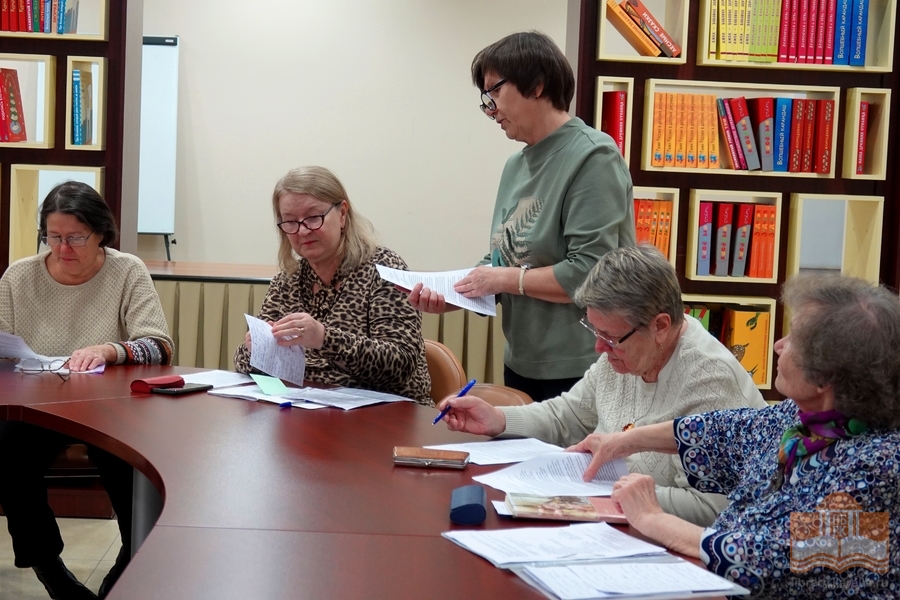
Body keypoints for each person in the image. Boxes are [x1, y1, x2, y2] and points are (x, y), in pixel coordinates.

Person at [578, 274, 900, 597]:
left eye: (794, 340)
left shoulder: (878, 471)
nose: (778, 345)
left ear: (826, 378)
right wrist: (624, 441)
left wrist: (651, 517)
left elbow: (768, 558)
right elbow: (726, 431)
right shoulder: (803, 418)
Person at [438, 245, 767, 526]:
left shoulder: (710, 380)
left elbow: (713, 510)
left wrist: (608, 495)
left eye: (610, 337)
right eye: (595, 331)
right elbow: (569, 415)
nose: (599, 348)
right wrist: (499, 419)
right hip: (624, 528)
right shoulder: (630, 352)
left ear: (661, 326)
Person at [408, 31, 635, 402]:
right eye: (486, 98)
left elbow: (590, 271)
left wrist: (498, 278)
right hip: (523, 360)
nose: (489, 109)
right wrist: (457, 294)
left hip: (583, 364)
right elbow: (504, 258)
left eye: (494, 92)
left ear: (537, 85)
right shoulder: (516, 164)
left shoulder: (593, 157)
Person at [0, 181, 174, 600]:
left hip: (109, 407)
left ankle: (126, 570)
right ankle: (50, 571)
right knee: (7, 454)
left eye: (75, 237)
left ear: (100, 233)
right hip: (37, 405)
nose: (63, 249)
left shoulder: (126, 270)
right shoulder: (19, 276)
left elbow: (159, 345)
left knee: (133, 469)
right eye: (53, 237)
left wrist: (110, 350)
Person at [234, 166, 431, 405]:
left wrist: (324, 339)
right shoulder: (288, 279)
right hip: (307, 413)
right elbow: (244, 365)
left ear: (342, 214)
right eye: (290, 222)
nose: (303, 230)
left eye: (313, 217)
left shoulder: (385, 270)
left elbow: (400, 365)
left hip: (384, 417)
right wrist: (255, 349)